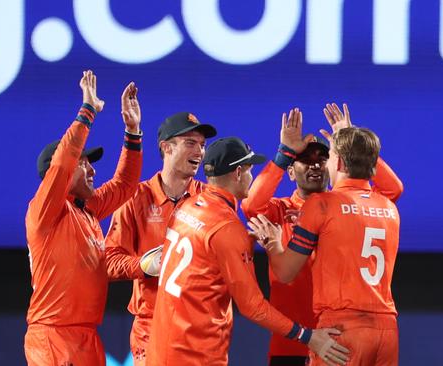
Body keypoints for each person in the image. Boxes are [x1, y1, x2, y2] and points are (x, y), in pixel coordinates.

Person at [146, 137, 350, 365]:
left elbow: (207, 261)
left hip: (162, 346)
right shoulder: (228, 227)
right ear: (238, 173)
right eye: (251, 170)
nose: (252, 178)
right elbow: (253, 307)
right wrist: (307, 336)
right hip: (196, 351)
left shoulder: (187, 206)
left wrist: (246, 242)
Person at [241, 103, 403, 365]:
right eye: (305, 160)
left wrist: (352, 146)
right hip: (294, 338)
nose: (315, 165)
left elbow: (393, 188)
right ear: (290, 171)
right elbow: (250, 205)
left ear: (335, 163)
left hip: (336, 331)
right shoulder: (280, 210)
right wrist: (284, 153)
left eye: (321, 158)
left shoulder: (332, 205)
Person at [24, 70, 143, 366]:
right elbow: (63, 162)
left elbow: (124, 186)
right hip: (54, 338)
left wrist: (132, 131)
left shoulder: (86, 210)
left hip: (87, 337)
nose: (92, 170)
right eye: (84, 163)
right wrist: (87, 111)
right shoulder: (45, 212)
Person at [105, 112, 216, 364]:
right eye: (190, 143)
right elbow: (109, 262)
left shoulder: (211, 200)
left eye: (202, 145)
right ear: (166, 147)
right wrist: (144, 265)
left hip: (199, 328)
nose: (199, 151)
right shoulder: (134, 198)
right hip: (151, 326)